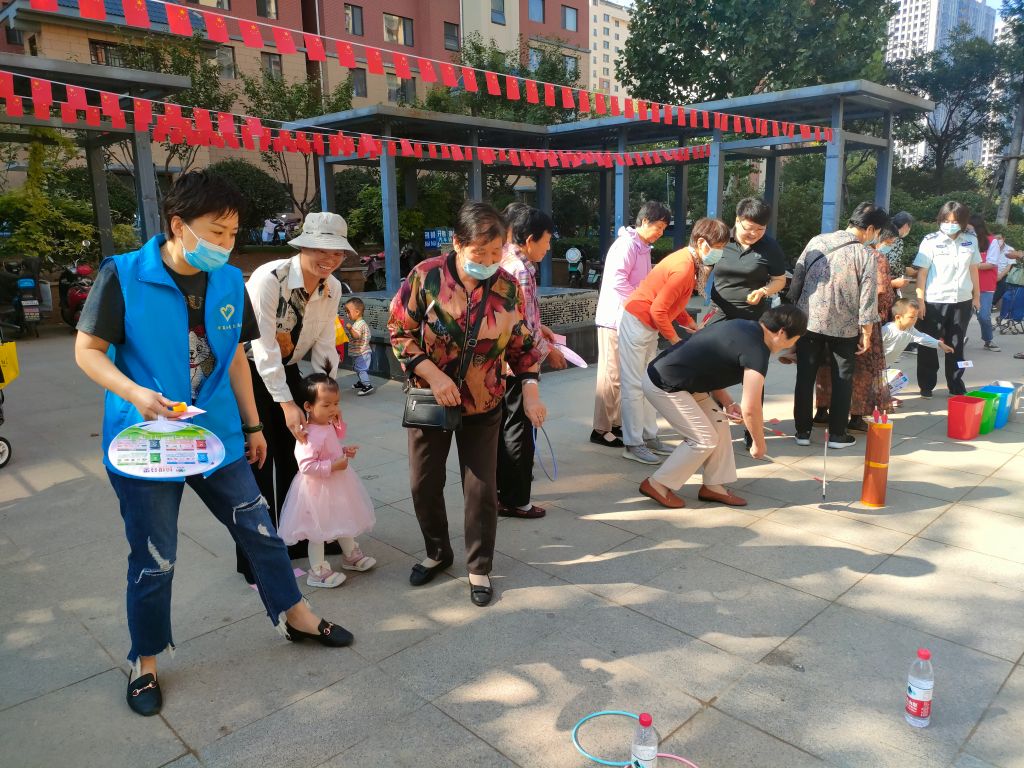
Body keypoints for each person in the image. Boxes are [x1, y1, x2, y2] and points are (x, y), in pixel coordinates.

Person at [74, 171, 352, 718]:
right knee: (155, 555)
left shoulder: (227, 281)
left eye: (232, 233)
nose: (225, 244)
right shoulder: (124, 274)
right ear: (178, 225)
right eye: (216, 232)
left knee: (260, 530)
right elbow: (87, 351)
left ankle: (295, 615)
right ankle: (146, 658)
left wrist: (253, 426)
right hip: (147, 440)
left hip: (216, 436)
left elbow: (237, 360)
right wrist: (135, 393)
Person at [388, 201, 545, 607]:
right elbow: (399, 331)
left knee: (481, 490)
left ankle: (479, 566)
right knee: (423, 483)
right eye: (480, 253)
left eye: (496, 253)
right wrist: (435, 376)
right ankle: (438, 551)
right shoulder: (425, 277)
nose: (489, 262)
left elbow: (523, 346)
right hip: (432, 400)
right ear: (457, 243)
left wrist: (531, 393)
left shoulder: (507, 287)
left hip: (484, 402)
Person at [240, 212, 353, 584]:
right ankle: (259, 558)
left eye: (337, 252)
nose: (329, 259)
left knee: (298, 460)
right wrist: (287, 404)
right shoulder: (269, 279)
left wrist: (327, 402)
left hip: (287, 372)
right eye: (321, 249)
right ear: (303, 246)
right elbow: (263, 347)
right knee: (259, 462)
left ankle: (299, 539)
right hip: (250, 373)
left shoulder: (331, 287)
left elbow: (324, 345)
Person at [639, 306, 808, 509]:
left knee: (719, 424)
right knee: (703, 439)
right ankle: (657, 484)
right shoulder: (757, 351)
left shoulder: (745, 326)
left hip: (684, 382)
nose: (792, 345)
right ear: (781, 332)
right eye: (795, 339)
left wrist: (728, 402)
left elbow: (709, 366)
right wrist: (758, 443)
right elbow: (751, 408)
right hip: (664, 383)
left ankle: (713, 485)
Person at [618, 217, 731, 465]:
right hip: (638, 322)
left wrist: (688, 323)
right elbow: (659, 309)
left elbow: (673, 303)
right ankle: (633, 443)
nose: (719, 253)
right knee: (634, 386)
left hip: (645, 324)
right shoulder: (684, 267)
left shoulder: (689, 262)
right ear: (701, 243)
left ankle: (649, 437)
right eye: (718, 247)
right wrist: (676, 340)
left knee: (647, 382)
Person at [792, 202, 887, 449]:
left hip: (809, 321)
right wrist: (866, 332)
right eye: (877, 232)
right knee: (843, 379)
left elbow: (797, 278)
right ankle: (837, 435)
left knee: (805, 377)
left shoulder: (817, 241)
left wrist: (793, 310)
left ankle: (802, 432)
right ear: (871, 229)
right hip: (844, 328)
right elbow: (867, 297)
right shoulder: (865, 255)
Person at [496, 204, 566, 519]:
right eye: (547, 240)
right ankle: (515, 499)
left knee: (507, 426)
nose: (548, 248)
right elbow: (520, 326)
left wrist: (542, 328)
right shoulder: (520, 269)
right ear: (529, 239)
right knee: (519, 428)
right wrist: (548, 350)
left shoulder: (504, 260)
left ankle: (503, 489)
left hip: (502, 362)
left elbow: (523, 314)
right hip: (517, 364)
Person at [278, 373, 377, 589]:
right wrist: (332, 466)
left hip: (336, 483)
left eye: (336, 403)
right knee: (318, 530)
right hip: (317, 489)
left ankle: (350, 554)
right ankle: (317, 571)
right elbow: (306, 466)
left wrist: (343, 451)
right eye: (326, 405)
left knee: (342, 518)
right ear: (308, 406)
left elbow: (332, 445)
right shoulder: (307, 434)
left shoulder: (326, 425)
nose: (333, 409)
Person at [590, 201, 672, 448]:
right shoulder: (626, 245)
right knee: (611, 376)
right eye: (658, 227)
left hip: (629, 318)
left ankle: (615, 423)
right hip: (614, 319)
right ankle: (600, 429)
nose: (660, 232)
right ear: (645, 221)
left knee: (624, 375)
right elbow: (617, 281)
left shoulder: (642, 247)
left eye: (664, 228)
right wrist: (641, 301)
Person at [813, 223, 899, 431]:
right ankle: (856, 415)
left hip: (829, 319)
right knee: (861, 371)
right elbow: (881, 293)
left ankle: (822, 410)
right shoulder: (875, 257)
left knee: (826, 367)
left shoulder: (827, 248)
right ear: (872, 230)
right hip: (863, 322)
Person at [913, 201, 981, 398]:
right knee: (929, 343)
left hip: (962, 300)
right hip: (934, 300)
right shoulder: (930, 240)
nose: (950, 225)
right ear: (940, 220)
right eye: (946, 220)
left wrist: (976, 296)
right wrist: (920, 301)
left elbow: (974, 269)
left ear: (963, 222)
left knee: (956, 344)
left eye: (955, 221)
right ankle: (926, 385)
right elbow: (922, 273)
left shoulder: (970, 241)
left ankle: (956, 383)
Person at [708, 197, 788, 322]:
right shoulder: (721, 240)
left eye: (760, 229)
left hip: (752, 314)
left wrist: (763, 291)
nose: (754, 233)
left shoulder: (770, 247)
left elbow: (779, 280)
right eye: (749, 228)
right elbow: (705, 266)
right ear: (737, 221)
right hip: (718, 311)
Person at [883, 298, 954, 368]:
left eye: (916, 317)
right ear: (898, 318)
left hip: (886, 365)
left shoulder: (910, 330)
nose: (915, 320)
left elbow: (922, 338)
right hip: (878, 365)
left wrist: (940, 344)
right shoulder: (887, 330)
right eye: (911, 317)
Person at [969, 215, 1001, 352]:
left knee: (983, 316)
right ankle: (955, 340)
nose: (967, 231)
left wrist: (971, 265)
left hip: (985, 286)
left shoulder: (992, 242)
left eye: (970, 228)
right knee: (962, 316)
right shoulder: (965, 240)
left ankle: (988, 340)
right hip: (967, 285)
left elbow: (991, 263)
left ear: (978, 228)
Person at [344, 297, 375, 395]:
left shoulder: (360, 325)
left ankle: (367, 385)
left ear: (357, 312)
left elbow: (356, 336)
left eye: (348, 312)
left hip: (362, 353)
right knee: (358, 368)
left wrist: (350, 329)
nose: (347, 314)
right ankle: (362, 382)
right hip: (360, 352)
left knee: (361, 370)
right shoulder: (358, 323)